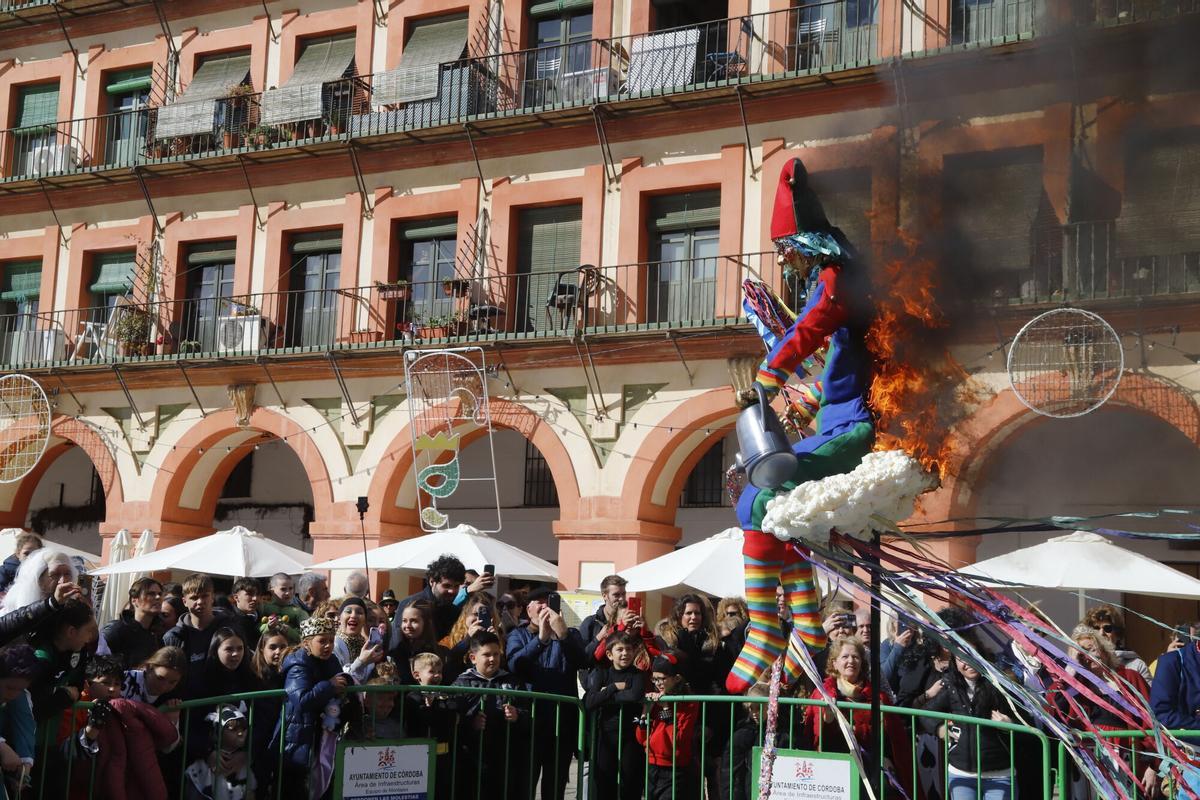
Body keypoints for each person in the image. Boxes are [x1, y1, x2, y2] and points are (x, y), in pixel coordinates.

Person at [728, 156, 875, 694]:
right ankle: (806, 626)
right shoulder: (844, 286)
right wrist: (811, 397)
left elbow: (808, 331)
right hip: (842, 419)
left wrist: (769, 379)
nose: (784, 261)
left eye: (786, 250)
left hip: (853, 430)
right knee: (769, 504)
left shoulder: (836, 284)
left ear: (806, 243)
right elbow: (847, 371)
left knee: (760, 496)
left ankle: (769, 626)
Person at [506, 587, 586, 800]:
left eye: (549, 602)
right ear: (527, 609)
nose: (544, 607)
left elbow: (584, 661)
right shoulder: (518, 634)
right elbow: (516, 665)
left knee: (555, 787)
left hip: (562, 723)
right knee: (525, 784)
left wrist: (564, 635)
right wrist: (540, 640)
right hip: (529, 722)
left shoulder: (571, 634)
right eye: (538, 603)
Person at [806, 637, 911, 796]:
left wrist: (886, 757)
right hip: (837, 765)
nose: (851, 661)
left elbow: (890, 737)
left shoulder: (878, 697)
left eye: (855, 657)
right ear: (834, 663)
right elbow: (816, 740)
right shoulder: (823, 695)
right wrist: (827, 721)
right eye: (845, 657)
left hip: (872, 764)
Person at [1061, 626, 1157, 799]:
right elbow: (1054, 706)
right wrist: (1071, 667)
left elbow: (1151, 723)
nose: (1087, 655)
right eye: (1081, 652)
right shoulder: (1075, 685)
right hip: (1089, 761)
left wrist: (1153, 767)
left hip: (1127, 760)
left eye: (1091, 649)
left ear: (1104, 650)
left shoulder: (1129, 678)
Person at [915, 653, 1016, 800]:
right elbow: (925, 713)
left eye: (971, 656)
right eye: (961, 659)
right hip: (961, 773)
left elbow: (1027, 723)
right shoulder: (952, 687)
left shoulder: (1000, 685)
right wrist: (939, 728)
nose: (967, 663)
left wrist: (1010, 725)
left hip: (999, 773)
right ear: (954, 663)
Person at [277, 615, 348, 800]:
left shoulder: (331, 660)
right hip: (298, 736)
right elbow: (301, 699)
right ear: (307, 643)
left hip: (322, 732)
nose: (328, 646)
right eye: (322, 641)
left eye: (331, 641)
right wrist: (329, 686)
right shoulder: (297, 664)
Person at [451, 631, 529, 800]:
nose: (492, 659)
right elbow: (452, 717)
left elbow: (529, 713)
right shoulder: (462, 683)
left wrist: (517, 715)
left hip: (505, 757)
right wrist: (471, 723)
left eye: (496, 654)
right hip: (472, 757)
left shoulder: (512, 681)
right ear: (473, 658)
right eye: (486, 655)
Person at [583, 631, 647, 800]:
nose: (625, 653)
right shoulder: (602, 673)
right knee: (604, 781)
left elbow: (634, 696)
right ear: (610, 654)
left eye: (628, 649)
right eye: (620, 649)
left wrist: (605, 695)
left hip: (630, 734)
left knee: (630, 781)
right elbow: (590, 701)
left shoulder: (638, 675)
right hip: (606, 734)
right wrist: (613, 688)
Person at [637, 650, 700, 800]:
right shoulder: (654, 700)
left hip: (675, 768)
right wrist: (646, 711)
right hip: (652, 764)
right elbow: (641, 738)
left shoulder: (689, 702)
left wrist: (666, 708)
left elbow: (677, 738)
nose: (657, 684)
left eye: (662, 679)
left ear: (677, 678)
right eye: (655, 679)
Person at [393, 555, 489, 643]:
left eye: (456, 586)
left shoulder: (452, 610)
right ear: (432, 581)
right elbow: (396, 646)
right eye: (446, 585)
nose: (451, 591)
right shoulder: (409, 604)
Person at [164, 574, 235, 686]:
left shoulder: (230, 628)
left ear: (212, 597)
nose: (200, 601)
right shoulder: (174, 636)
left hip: (224, 698)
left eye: (205, 596)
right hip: (187, 701)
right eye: (194, 597)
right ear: (184, 601)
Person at [403, 652, 455, 800]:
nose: (437, 676)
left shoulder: (444, 695)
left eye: (439, 672)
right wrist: (429, 709)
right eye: (432, 672)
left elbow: (450, 717)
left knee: (441, 792)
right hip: (418, 756)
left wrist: (436, 708)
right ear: (417, 675)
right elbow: (421, 721)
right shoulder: (413, 697)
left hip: (442, 756)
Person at [185, 703, 255, 800]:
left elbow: (249, 792)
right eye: (232, 728)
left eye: (243, 727)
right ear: (218, 732)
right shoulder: (200, 766)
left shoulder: (243, 762)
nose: (240, 733)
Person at [98, 576, 166, 669]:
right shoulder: (116, 630)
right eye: (151, 594)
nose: (158, 597)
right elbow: (97, 661)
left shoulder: (158, 634)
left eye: (160, 594)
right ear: (134, 600)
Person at [0, 645, 39, 788]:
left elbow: (25, 724)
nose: (13, 694)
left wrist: (24, 767)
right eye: (10, 688)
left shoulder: (19, 695)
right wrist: (2, 747)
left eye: (19, 690)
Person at [442, 592, 502, 683]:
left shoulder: (500, 638)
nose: (479, 619)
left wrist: (496, 644)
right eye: (475, 614)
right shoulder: (448, 640)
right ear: (465, 616)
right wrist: (468, 639)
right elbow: (448, 662)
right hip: (459, 687)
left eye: (484, 615)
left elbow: (504, 668)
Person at [1083, 604, 1151, 682]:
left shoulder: (1137, 665)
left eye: (1107, 628)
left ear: (1118, 634)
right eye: (1096, 628)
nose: (1101, 633)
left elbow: (1148, 693)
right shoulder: (1084, 662)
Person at [0, 548, 77, 615]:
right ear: (39, 580)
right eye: (55, 574)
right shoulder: (14, 612)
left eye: (67, 574)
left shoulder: (71, 605)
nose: (63, 581)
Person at [332, 596, 386, 683]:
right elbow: (341, 679)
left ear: (364, 620)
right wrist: (361, 662)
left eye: (359, 612)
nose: (353, 615)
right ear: (339, 618)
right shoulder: (333, 644)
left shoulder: (367, 647)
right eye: (348, 611)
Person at [387, 600, 442, 683]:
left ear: (426, 623)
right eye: (404, 621)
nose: (407, 626)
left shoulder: (433, 653)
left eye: (414, 621)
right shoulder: (396, 649)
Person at [579, 575, 628, 669]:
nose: (622, 599)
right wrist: (599, 637)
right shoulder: (590, 623)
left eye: (623, 594)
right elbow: (582, 659)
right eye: (616, 595)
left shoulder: (629, 621)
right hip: (598, 681)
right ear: (604, 596)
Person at [122, 645, 187, 706]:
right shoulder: (123, 682)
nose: (163, 687)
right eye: (160, 678)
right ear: (149, 667)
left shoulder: (173, 697)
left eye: (172, 682)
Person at [260, 573, 309, 638]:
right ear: (272, 591)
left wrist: (289, 631)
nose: (288, 592)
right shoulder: (263, 608)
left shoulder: (299, 612)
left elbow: (307, 635)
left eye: (290, 588)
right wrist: (267, 626)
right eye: (283, 589)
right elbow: (254, 628)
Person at [229, 577, 262, 651]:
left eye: (258, 594)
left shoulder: (263, 617)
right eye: (250, 594)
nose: (255, 598)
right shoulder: (229, 621)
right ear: (236, 597)